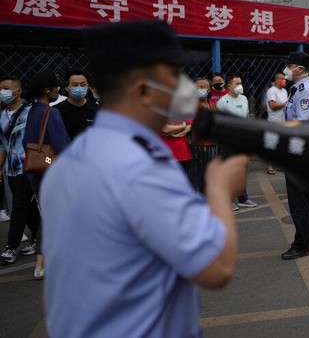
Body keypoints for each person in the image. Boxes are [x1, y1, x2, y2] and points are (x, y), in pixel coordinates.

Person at [41, 20, 248, 337]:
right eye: (173, 77)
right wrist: (219, 189)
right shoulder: (139, 167)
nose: (185, 88)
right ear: (143, 90)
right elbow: (216, 268)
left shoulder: (74, 157)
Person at [22, 71, 71, 280]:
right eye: (55, 88)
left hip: (36, 171)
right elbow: (63, 147)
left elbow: (27, 142)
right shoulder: (51, 113)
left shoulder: (30, 111)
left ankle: (42, 263)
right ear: (47, 90)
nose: (57, 91)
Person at [280, 51, 309, 260]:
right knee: (307, 196)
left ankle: (301, 243)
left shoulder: (304, 90)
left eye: (290, 65)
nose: (287, 69)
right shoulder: (297, 88)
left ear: (300, 69)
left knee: (298, 200)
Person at [0, 75, 38, 265]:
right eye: (1, 88)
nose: (3, 92)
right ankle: (39, 238)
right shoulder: (2, 114)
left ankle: (11, 246)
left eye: (6, 88)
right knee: (27, 207)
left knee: (18, 206)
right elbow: (2, 145)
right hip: (11, 169)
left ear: (18, 91)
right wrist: (0, 167)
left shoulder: (31, 111)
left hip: (28, 166)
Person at [217, 75, 257, 210]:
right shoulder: (222, 102)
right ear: (229, 86)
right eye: (236, 83)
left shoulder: (244, 99)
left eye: (240, 83)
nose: (240, 86)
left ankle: (242, 198)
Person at [190, 77, 219, 193]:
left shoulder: (212, 104)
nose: (199, 89)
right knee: (199, 175)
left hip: (213, 144)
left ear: (209, 90)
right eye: (196, 87)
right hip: (199, 146)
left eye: (202, 87)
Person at [54, 69, 99, 140]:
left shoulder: (97, 110)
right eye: (75, 85)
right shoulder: (57, 111)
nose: (79, 88)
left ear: (87, 86)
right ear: (67, 87)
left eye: (83, 85)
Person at [265, 72, 288, 175]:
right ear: (277, 80)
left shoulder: (285, 91)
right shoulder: (271, 91)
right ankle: (270, 167)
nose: (284, 81)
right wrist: (285, 104)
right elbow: (272, 105)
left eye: (285, 79)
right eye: (282, 79)